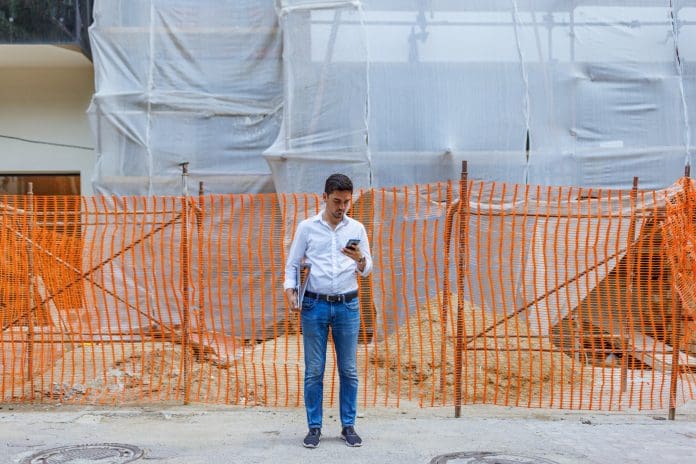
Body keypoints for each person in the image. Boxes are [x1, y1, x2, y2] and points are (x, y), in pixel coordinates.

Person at [284, 173, 373, 448]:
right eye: (337, 201)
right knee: (314, 370)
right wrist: (290, 289)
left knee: (349, 369)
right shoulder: (307, 228)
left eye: (346, 202)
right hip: (314, 304)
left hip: (347, 304)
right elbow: (292, 264)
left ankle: (348, 425)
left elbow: (368, 269)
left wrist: (360, 259)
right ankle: (314, 427)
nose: (341, 207)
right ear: (324, 198)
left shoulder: (356, 228)